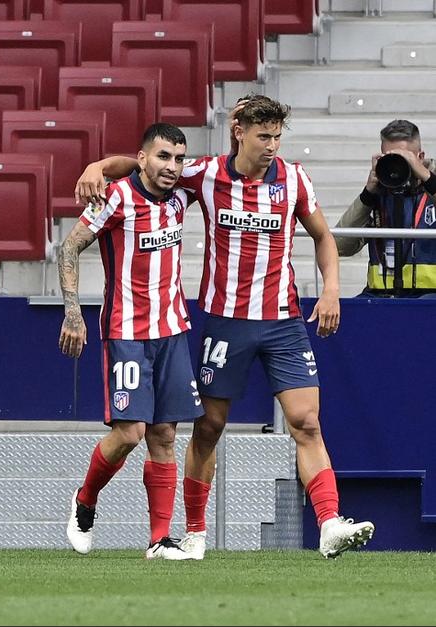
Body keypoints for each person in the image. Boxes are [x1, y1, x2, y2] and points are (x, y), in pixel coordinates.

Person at [75, 95, 374, 559]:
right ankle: (195, 533)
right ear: (239, 131)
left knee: (306, 421)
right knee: (209, 427)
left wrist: (331, 288)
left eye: (277, 136)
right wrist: (99, 165)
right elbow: (150, 168)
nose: (272, 145)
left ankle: (329, 522)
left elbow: (322, 235)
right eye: (263, 136)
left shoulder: (294, 179)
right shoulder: (205, 173)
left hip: (282, 320)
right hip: (224, 322)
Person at [60, 123, 203, 561]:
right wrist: (72, 313)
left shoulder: (183, 194)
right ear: (141, 158)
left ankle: (159, 540)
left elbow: (233, 165)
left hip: (173, 331)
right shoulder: (118, 197)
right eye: (162, 157)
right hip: (126, 333)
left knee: (163, 434)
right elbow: (69, 248)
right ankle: (85, 501)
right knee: (129, 433)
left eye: (179, 159)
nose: (172, 167)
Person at [335, 119, 436, 297]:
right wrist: (367, 195)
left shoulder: (431, 191)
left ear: (420, 157)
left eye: (404, 158)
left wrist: (426, 177)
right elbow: (340, 246)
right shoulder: (377, 194)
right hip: (378, 296)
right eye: (389, 158)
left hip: (429, 297)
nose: (396, 165)